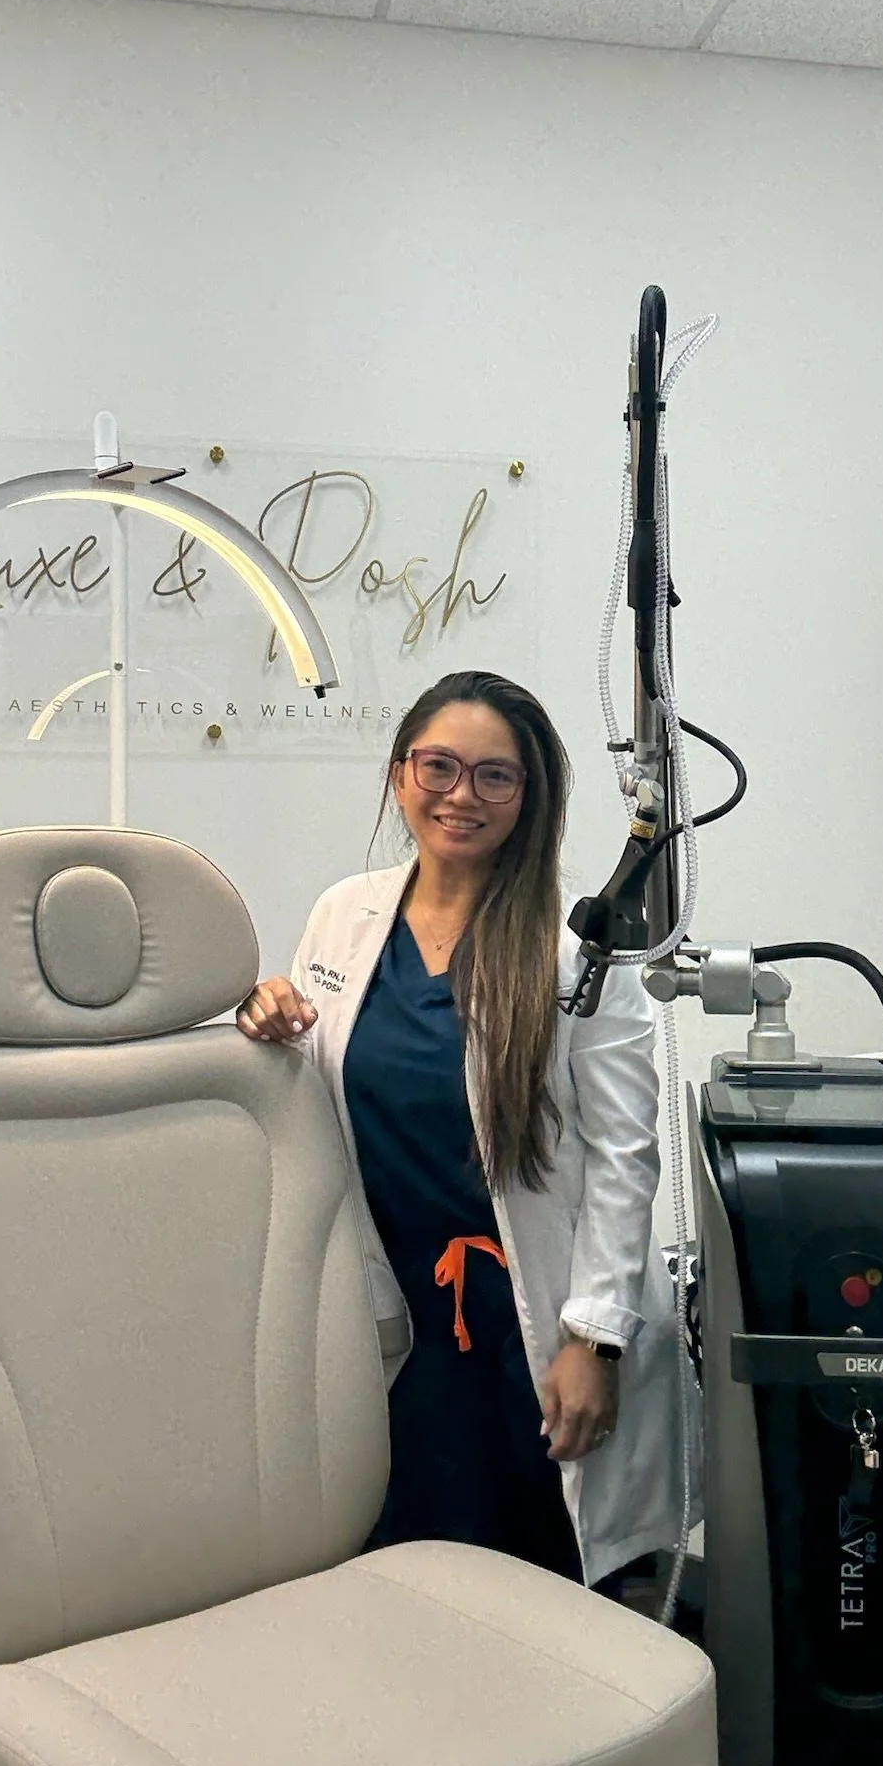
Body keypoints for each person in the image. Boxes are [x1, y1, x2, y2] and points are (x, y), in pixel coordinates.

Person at [237, 668, 696, 1594]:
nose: (462, 795)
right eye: (439, 766)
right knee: (396, 1576)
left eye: (496, 776)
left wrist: (595, 1338)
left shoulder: (575, 959)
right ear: (401, 772)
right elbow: (315, 1091)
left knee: (531, 1585)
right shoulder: (344, 915)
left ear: (531, 798)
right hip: (388, 1314)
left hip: (525, 1328)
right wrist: (268, 1014)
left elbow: (624, 1157)